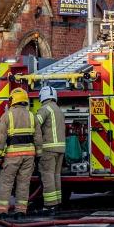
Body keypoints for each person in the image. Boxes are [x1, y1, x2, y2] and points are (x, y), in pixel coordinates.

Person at [0, 87, 40, 220]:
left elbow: (1, 137)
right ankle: (21, 211)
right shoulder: (32, 115)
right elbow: (38, 137)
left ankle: (2, 211)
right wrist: (39, 154)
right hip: (29, 155)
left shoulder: (7, 115)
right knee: (24, 183)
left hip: (13, 156)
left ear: (13, 100)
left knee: (6, 183)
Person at [36, 85, 66, 215]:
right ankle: (57, 202)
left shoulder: (45, 109)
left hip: (48, 148)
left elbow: (35, 124)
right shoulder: (58, 109)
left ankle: (50, 205)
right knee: (56, 175)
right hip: (60, 149)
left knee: (47, 176)